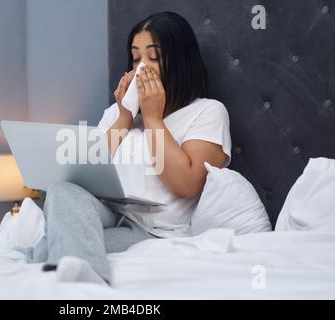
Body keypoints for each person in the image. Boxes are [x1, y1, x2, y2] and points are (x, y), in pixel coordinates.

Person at [25, 11, 232, 285]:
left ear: (180, 62)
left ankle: (81, 278)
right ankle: (88, 280)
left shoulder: (207, 112)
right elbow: (82, 173)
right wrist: (124, 117)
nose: (141, 68)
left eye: (153, 57)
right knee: (62, 190)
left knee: (44, 251)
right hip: (108, 215)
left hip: (157, 233)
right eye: (136, 59)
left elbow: (186, 185)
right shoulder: (117, 113)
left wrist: (152, 118)